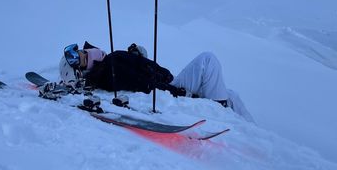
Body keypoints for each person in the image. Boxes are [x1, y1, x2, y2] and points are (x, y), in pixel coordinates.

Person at [59, 42, 253, 122]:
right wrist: (178, 92)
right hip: (172, 88)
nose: (87, 53)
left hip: (170, 81)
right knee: (208, 60)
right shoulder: (109, 69)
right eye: (84, 58)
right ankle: (219, 111)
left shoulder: (111, 62)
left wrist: (136, 56)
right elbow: (143, 83)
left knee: (232, 94)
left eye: (84, 51)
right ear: (82, 72)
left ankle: (251, 131)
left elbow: (140, 72)